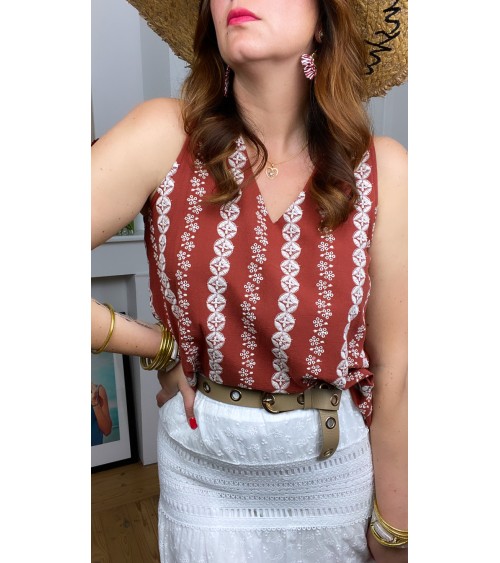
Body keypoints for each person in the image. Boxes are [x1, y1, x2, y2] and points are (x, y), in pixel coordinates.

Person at [91, 0, 408, 561]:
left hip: (334, 484)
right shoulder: (164, 135)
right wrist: (157, 346)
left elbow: (396, 369)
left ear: (324, 22)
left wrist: (395, 530)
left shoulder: (384, 170)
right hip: (202, 482)